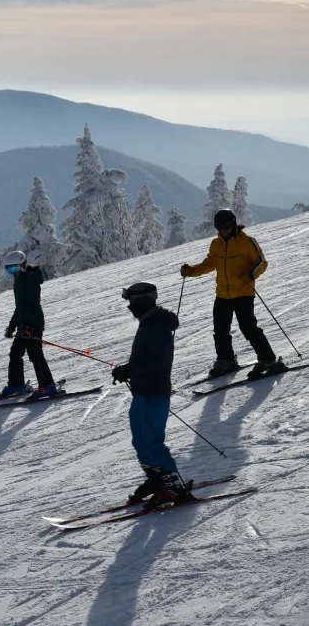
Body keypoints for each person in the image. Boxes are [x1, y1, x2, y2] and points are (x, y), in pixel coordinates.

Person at [112, 282, 194, 508]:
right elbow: (145, 358)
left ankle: (173, 486)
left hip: (154, 393)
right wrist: (129, 368)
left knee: (152, 442)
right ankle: (157, 481)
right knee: (140, 440)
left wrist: (129, 369)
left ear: (143, 302)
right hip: (143, 392)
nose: (130, 307)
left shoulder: (156, 326)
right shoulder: (149, 322)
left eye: (132, 303)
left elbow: (157, 361)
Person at [181, 208, 287, 379]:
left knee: (248, 327)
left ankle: (267, 359)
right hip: (222, 294)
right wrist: (191, 271)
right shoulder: (216, 244)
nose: (225, 230)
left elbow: (261, 262)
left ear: (234, 223)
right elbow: (209, 264)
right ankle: (226, 360)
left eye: (227, 226)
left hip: (244, 292)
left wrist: (251, 274)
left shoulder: (247, 242)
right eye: (220, 227)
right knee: (220, 329)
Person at [0, 250, 57, 400]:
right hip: (23, 326)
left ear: (23, 266)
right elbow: (20, 308)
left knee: (35, 354)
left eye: (15, 269)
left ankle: (47, 386)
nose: (13, 273)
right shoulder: (19, 282)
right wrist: (12, 326)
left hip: (33, 324)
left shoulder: (29, 280)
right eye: (9, 270)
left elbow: (31, 305)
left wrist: (28, 326)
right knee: (15, 353)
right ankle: (16, 384)